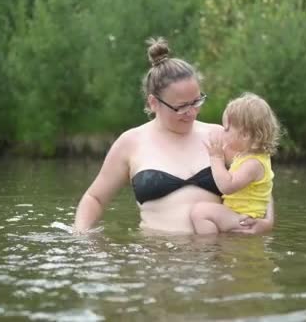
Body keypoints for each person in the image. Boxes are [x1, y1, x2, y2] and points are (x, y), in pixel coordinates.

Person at [73, 37, 274, 235]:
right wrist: (80, 235)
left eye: (196, 102)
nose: (192, 112)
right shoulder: (130, 142)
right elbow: (95, 198)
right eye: (181, 107)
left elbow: (260, 180)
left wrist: (266, 222)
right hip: (157, 256)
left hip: (216, 259)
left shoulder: (220, 136)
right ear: (153, 102)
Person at [190, 93, 281, 234]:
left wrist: (216, 158)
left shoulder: (253, 163)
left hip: (243, 218)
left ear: (245, 135)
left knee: (200, 212)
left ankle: (210, 248)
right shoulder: (249, 156)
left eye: (226, 129)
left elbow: (227, 186)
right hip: (241, 215)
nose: (222, 132)